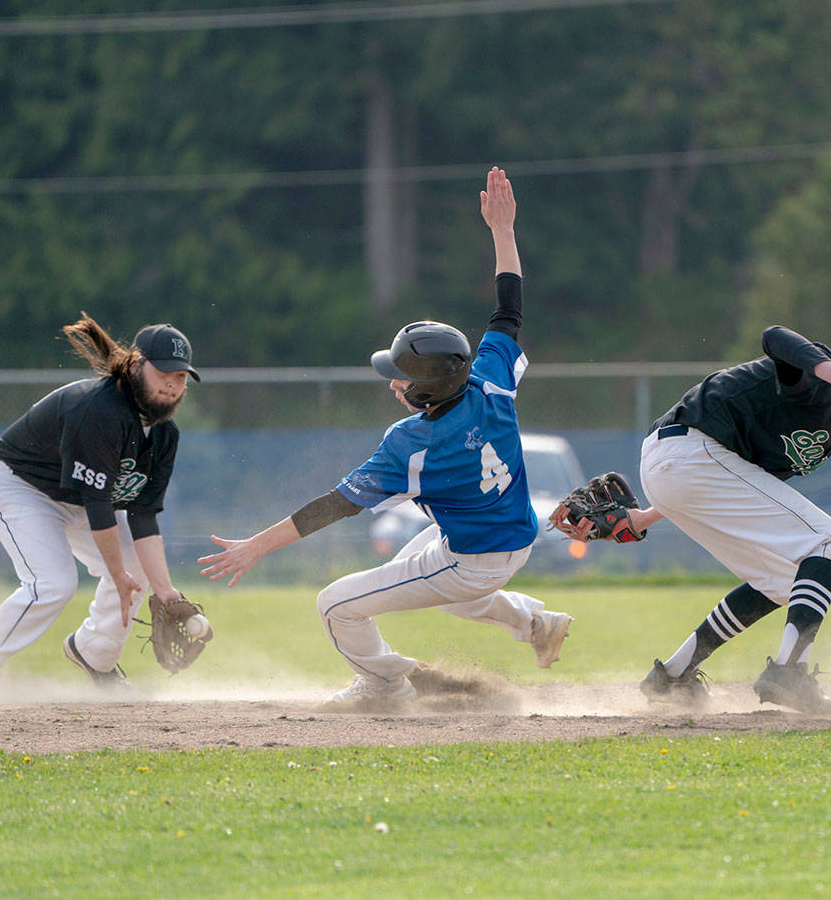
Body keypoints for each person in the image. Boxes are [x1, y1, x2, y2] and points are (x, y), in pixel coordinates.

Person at [198, 166, 572, 710]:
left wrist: (255, 545)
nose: (393, 380)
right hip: (513, 537)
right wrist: (503, 230)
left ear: (423, 391)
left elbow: (334, 506)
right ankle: (538, 624)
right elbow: (508, 311)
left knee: (336, 605)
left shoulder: (411, 443)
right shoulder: (489, 382)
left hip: (475, 558)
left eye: (400, 374)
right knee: (452, 593)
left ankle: (386, 685)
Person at [615, 318, 831, 713]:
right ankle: (788, 673)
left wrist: (647, 516)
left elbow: (745, 476)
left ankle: (674, 677)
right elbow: (776, 337)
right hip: (688, 451)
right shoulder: (821, 376)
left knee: (788, 578)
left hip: (686, 467)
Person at [0, 314, 199, 688]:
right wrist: (116, 575)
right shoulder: (100, 411)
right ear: (136, 364)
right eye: (163, 371)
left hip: (80, 501)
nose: (171, 383)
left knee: (137, 568)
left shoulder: (165, 436)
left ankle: (96, 655)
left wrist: (165, 591)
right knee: (54, 583)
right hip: (21, 487)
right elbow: (100, 504)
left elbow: (143, 513)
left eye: (180, 376)